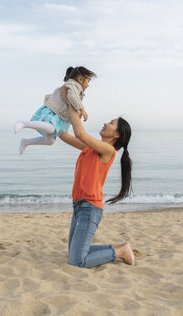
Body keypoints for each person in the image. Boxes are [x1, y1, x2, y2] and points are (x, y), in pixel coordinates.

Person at [60, 88, 135, 268]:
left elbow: (80, 134)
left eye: (110, 123)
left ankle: (120, 252)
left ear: (116, 135)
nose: (105, 123)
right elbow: (65, 135)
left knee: (77, 260)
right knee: (74, 253)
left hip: (90, 207)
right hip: (78, 205)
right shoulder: (91, 148)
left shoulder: (107, 151)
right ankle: (118, 247)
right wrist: (57, 112)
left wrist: (72, 104)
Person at [14, 66, 96, 154]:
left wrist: (78, 112)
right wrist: (82, 109)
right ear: (80, 79)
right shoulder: (73, 85)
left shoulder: (76, 89)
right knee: (50, 128)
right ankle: (24, 123)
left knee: (50, 141)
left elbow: (71, 102)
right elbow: (72, 97)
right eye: (88, 81)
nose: (88, 85)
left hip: (59, 117)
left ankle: (26, 142)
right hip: (54, 113)